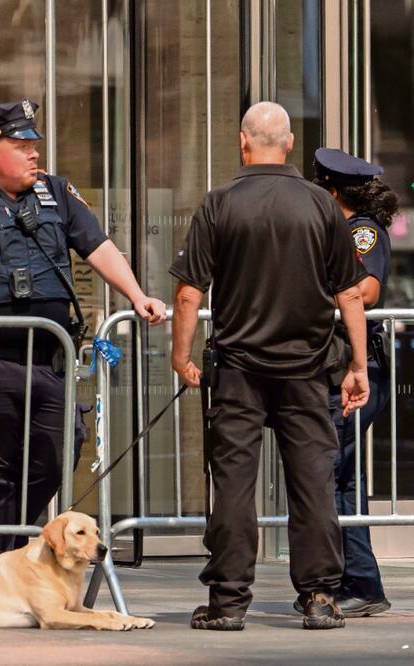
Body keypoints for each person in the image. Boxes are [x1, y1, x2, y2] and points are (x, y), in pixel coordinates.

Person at [0, 99, 166, 559]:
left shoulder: (56, 192)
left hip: (50, 361)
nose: (34, 153)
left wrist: (137, 294)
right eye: (21, 144)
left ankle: (10, 544)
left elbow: (98, 247)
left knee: (55, 459)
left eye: (34, 143)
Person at [170, 102, 370, 631]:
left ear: (242, 142)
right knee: (313, 483)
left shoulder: (218, 203)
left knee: (234, 484)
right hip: (307, 367)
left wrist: (181, 355)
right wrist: (358, 365)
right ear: (287, 146)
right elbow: (350, 293)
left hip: (238, 369)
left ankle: (229, 602)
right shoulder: (321, 206)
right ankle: (321, 598)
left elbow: (190, 293)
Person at [291, 147, 397, 617]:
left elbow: (366, 291)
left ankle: (359, 584)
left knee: (335, 478)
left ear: (331, 191)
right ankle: (346, 583)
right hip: (333, 368)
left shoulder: (362, 232)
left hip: (355, 370)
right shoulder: (330, 232)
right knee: (338, 476)